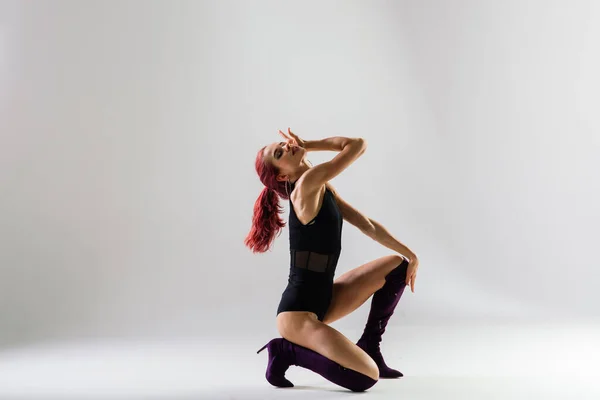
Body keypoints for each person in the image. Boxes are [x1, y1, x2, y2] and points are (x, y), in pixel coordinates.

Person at [245, 128, 419, 392]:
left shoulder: (320, 187)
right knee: (364, 377)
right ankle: (285, 350)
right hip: (298, 314)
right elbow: (357, 145)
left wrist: (410, 253)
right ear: (282, 174)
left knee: (397, 266)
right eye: (280, 153)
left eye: (282, 144)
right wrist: (309, 145)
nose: (287, 146)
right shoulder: (306, 185)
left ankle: (371, 345)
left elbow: (368, 225)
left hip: (324, 300)